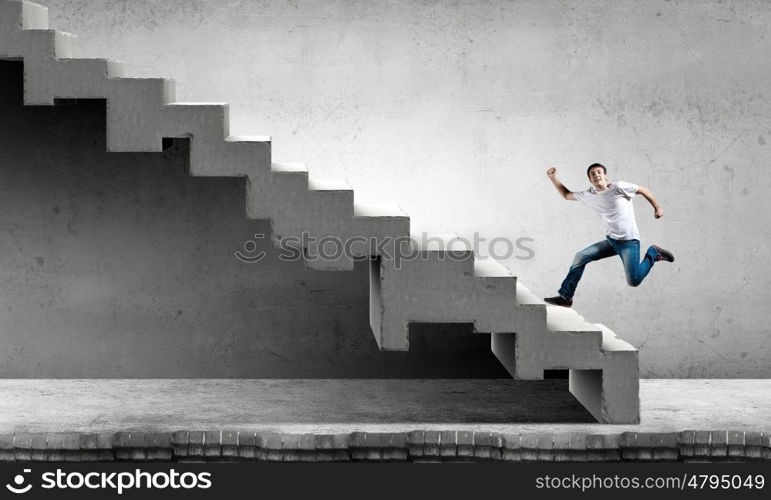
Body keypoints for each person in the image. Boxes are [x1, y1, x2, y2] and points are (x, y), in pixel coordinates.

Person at [543, 163, 674, 307]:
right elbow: (567, 195)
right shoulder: (589, 195)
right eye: (592, 174)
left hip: (629, 243)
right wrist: (553, 177)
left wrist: (657, 207)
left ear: (606, 176)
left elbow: (643, 189)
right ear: (590, 180)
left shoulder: (618, 187)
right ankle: (566, 297)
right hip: (612, 241)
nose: (596, 175)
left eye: (599, 172)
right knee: (580, 256)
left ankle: (653, 253)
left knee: (634, 281)